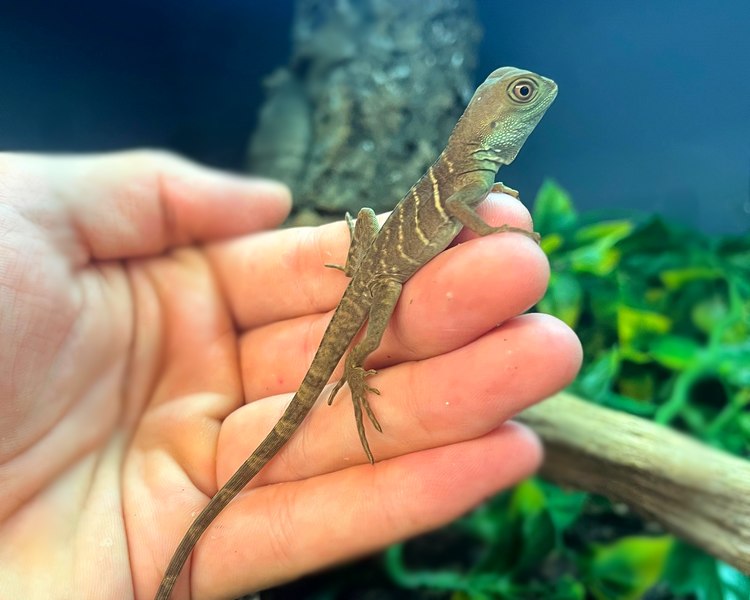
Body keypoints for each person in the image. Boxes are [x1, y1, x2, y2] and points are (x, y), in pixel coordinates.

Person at [0, 150, 581, 599]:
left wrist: (485, 204)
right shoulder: (463, 177)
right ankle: (355, 369)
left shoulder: (468, 171)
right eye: (522, 95)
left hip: (373, 265)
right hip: (378, 281)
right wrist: (492, 229)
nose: (535, 98)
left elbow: (463, 199)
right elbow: (460, 209)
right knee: (371, 336)